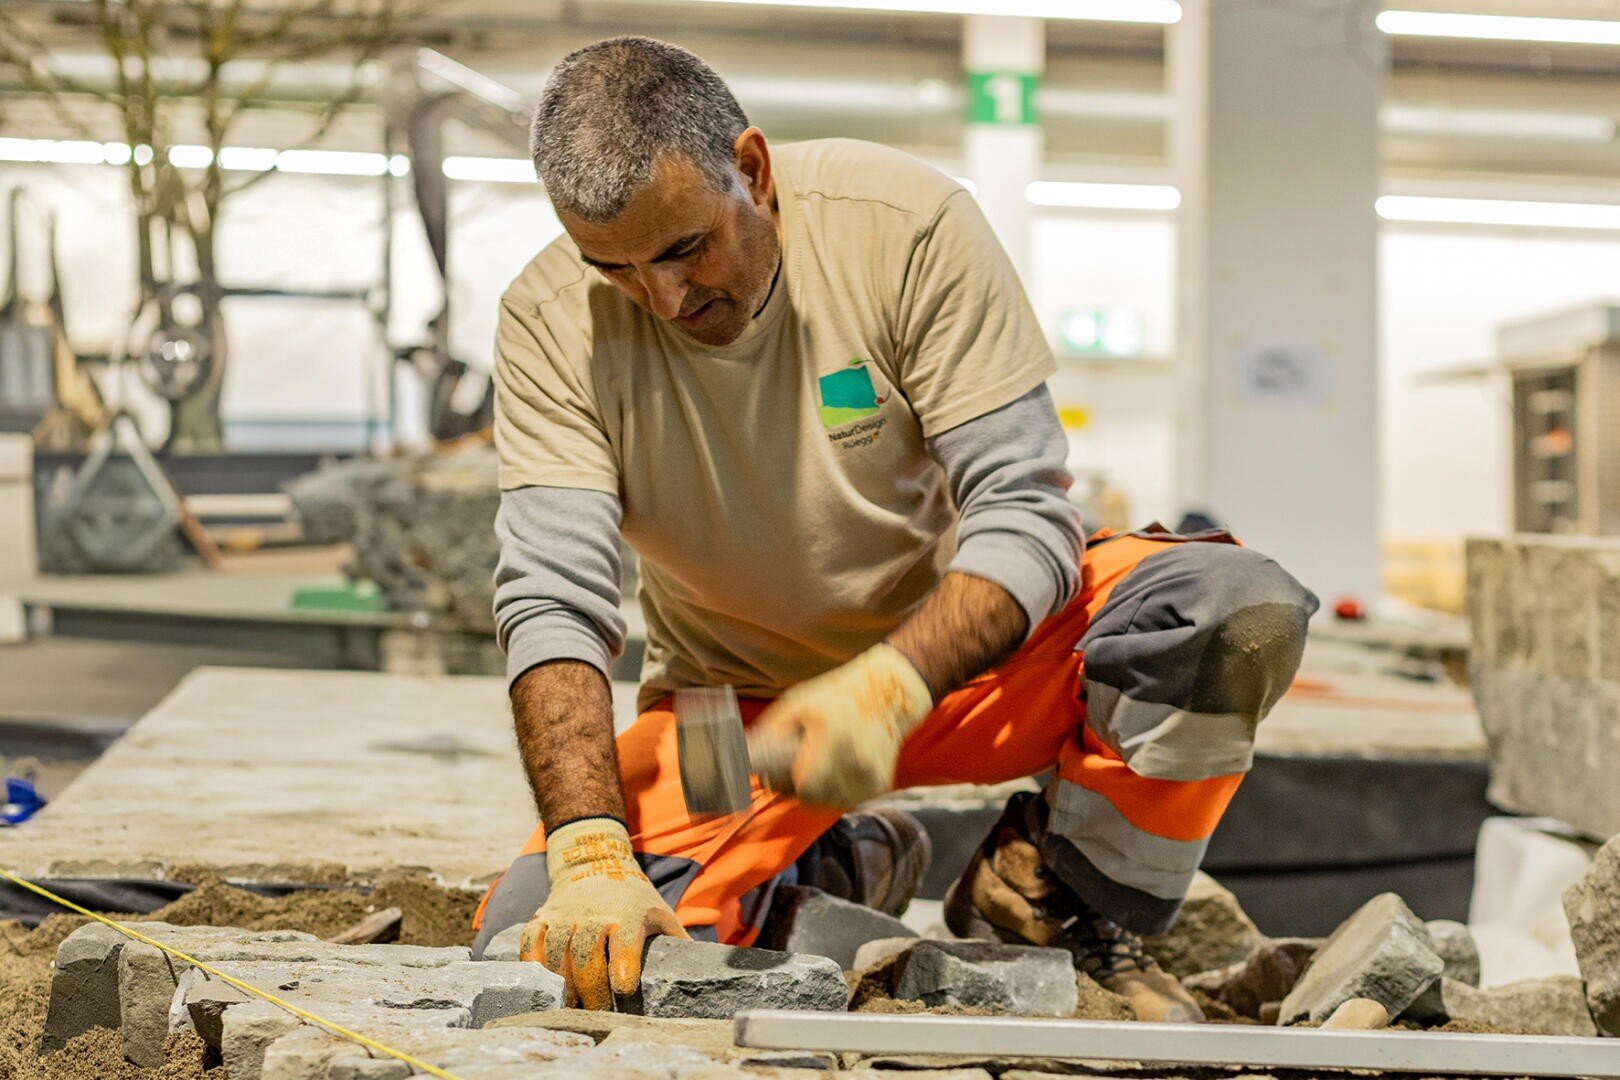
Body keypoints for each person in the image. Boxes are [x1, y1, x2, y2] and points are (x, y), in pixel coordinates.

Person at [472, 35, 1317, 1021]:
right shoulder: (546, 321)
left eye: (684, 248)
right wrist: (586, 851)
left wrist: (886, 687)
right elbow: (551, 596)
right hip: (733, 711)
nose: (663, 299)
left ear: (750, 169)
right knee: (550, 953)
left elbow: (1026, 513)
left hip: (965, 673)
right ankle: (843, 860)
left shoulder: (903, 226)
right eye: (612, 268)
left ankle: (1053, 894)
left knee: (1227, 613)